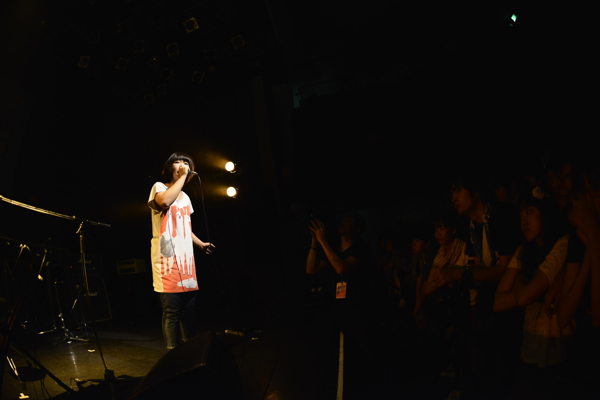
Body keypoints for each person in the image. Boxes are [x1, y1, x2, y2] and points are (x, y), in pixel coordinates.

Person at [494, 183, 571, 367]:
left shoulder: (562, 244)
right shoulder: (523, 250)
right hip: (529, 349)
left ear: (545, 212)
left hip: (557, 353)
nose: (523, 221)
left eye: (529, 212)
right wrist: (527, 288)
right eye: (521, 215)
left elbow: (523, 299)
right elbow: (497, 303)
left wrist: (519, 277)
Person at [148, 152, 215, 350]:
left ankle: (190, 353)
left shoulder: (185, 197)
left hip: (187, 262)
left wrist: (200, 244)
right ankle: (173, 355)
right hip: (167, 261)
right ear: (170, 168)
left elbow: (185, 227)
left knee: (189, 312)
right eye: (177, 162)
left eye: (186, 163)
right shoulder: (159, 187)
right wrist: (183, 177)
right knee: (172, 312)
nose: (182, 165)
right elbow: (164, 202)